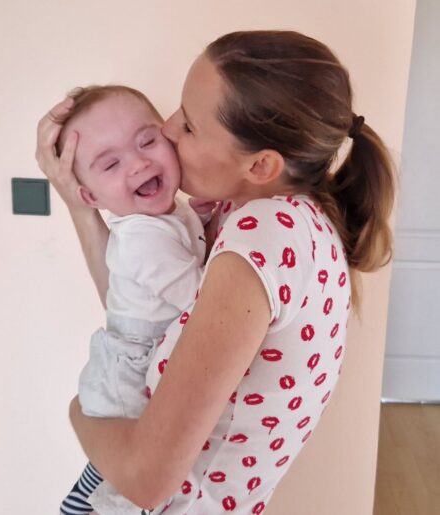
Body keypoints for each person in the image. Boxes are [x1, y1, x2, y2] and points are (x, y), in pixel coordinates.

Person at [36, 30, 395, 514]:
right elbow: (146, 305)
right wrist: (80, 203)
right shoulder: (269, 212)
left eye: (188, 125)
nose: (167, 129)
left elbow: (146, 479)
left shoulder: (263, 237)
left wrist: (80, 413)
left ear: (261, 165)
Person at [50, 85, 214, 515]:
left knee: (109, 471)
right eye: (110, 164)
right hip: (130, 373)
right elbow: (202, 300)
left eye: (147, 140)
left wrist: (203, 218)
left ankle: (81, 501)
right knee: (134, 483)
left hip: (135, 361)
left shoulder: (167, 211)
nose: (138, 162)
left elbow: (186, 243)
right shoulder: (142, 241)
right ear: (90, 198)